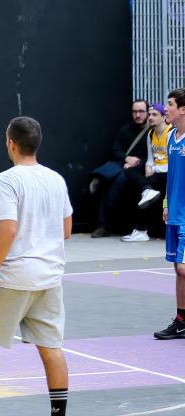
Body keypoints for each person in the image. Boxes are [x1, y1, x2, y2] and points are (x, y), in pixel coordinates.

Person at [0, 116, 72, 416]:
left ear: (11, 143)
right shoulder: (56, 179)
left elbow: (8, 231)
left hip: (14, 276)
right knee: (51, 348)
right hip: (50, 276)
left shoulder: (4, 180)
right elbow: (65, 230)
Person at [88, 100, 150, 237]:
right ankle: (99, 179)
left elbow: (154, 154)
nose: (138, 115)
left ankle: (100, 178)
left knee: (120, 177)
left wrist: (136, 163)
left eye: (141, 111)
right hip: (124, 163)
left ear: (147, 112)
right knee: (112, 177)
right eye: (135, 112)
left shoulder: (152, 132)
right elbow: (116, 150)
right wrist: (127, 159)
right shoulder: (125, 130)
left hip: (141, 167)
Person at [153, 88, 185, 340]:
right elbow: (171, 177)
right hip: (173, 211)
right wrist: (165, 203)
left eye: (170, 104)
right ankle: (182, 320)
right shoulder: (171, 135)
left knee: (184, 268)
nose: (167, 109)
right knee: (178, 268)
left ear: (182, 110)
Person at [120, 103, 171, 242]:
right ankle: (146, 189)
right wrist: (149, 166)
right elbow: (150, 159)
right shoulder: (150, 134)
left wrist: (152, 169)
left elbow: (173, 163)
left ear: (164, 117)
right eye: (149, 115)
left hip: (168, 174)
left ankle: (141, 230)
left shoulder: (171, 134)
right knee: (130, 171)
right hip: (156, 172)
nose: (150, 117)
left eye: (154, 114)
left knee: (146, 188)